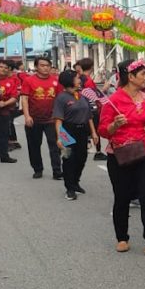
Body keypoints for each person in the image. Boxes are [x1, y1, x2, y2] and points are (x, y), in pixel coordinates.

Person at [99, 59, 145, 257]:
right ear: (130, 77)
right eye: (142, 75)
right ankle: (122, 237)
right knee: (122, 197)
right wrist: (115, 125)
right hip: (120, 156)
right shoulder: (113, 100)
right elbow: (103, 130)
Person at [53, 70, 98, 200]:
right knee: (68, 160)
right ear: (70, 80)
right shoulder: (61, 98)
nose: (80, 80)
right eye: (77, 78)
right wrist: (60, 137)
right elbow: (58, 120)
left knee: (81, 158)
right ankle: (70, 188)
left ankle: (76, 182)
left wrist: (94, 132)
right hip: (67, 131)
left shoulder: (81, 95)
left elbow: (89, 116)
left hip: (82, 131)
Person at [21, 56, 63, 180]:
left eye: (47, 66)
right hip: (34, 119)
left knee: (55, 146)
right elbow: (24, 99)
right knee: (34, 146)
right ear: (36, 67)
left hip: (52, 119)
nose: (45, 68)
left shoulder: (56, 80)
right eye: (42, 65)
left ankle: (57, 171)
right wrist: (27, 116)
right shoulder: (29, 81)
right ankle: (37, 169)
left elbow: (60, 99)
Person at [75, 57, 107, 160]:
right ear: (91, 67)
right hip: (91, 107)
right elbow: (94, 96)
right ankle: (97, 151)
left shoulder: (79, 78)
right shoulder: (88, 80)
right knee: (95, 130)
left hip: (82, 106)